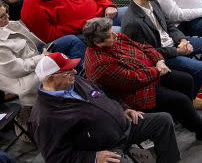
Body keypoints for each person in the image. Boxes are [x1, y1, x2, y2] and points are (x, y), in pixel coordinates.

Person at [82, 18, 202, 141]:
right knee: (180, 100)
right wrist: (156, 70)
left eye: (112, 32)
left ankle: (183, 117)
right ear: (98, 43)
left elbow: (145, 48)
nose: (114, 35)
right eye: (109, 35)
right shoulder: (100, 64)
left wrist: (159, 61)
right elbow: (133, 79)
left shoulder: (117, 38)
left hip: (152, 73)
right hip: (134, 92)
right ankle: (201, 131)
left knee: (186, 79)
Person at [31, 52, 182, 163]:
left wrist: (124, 108)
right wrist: (92, 158)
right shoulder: (44, 116)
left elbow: (104, 94)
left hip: (125, 126)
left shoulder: (75, 81)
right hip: (105, 148)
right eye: (68, 71)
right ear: (51, 78)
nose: (75, 72)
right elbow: (56, 158)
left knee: (163, 121)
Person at [121, 0, 202, 108]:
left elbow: (169, 25)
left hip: (173, 43)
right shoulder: (132, 23)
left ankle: (199, 83)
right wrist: (177, 51)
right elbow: (147, 53)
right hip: (162, 55)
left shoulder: (152, 1)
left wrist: (182, 40)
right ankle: (190, 99)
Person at [0, 1, 86, 110]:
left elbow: (34, 42)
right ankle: (78, 83)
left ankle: (80, 79)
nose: (7, 16)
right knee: (65, 58)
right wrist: (43, 57)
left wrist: (45, 51)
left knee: (73, 40)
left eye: (6, 12)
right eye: (2, 16)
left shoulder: (7, 24)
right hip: (26, 77)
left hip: (36, 54)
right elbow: (17, 69)